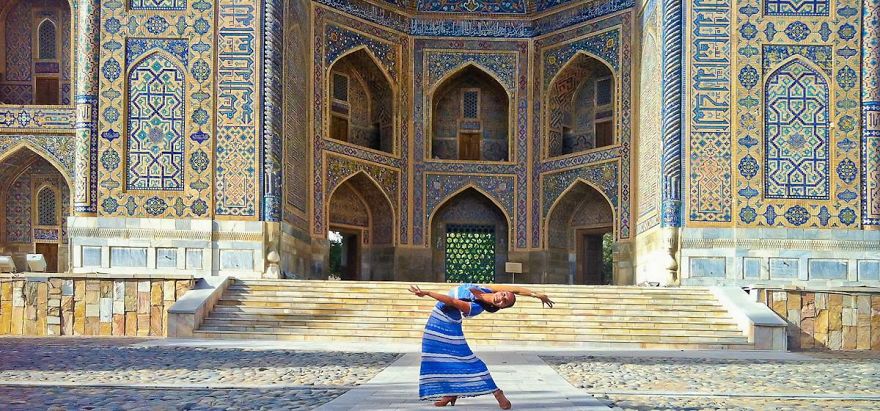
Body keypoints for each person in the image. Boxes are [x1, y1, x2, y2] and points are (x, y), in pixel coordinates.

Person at [409, 283, 555, 408]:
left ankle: (498, 393)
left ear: (501, 307)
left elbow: (452, 302)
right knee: (438, 358)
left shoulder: (476, 307)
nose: (501, 298)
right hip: (437, 318)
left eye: (504, 301)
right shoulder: (488, 289)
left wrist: (427, 293)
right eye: (503, 294)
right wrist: (536, 295)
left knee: (467, 360)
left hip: (447, 325)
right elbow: (515, 290)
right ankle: (450, 393)